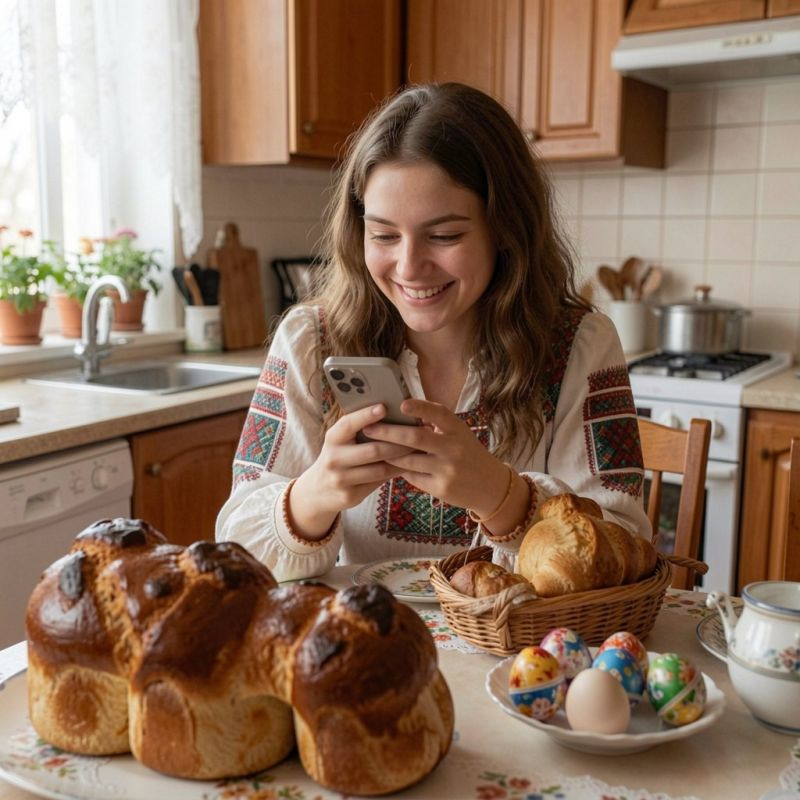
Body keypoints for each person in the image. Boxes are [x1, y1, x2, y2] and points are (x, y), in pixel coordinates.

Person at [215, 82, 650, 581]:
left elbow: (627, 552)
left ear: (505, 230)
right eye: (383, 235)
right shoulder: (310, 340)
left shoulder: (580, 346)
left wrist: (500, 495)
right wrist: (315, 495)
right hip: (367, 644)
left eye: (444, 236)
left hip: (520, 655)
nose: (409, 266)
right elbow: (234, 549)